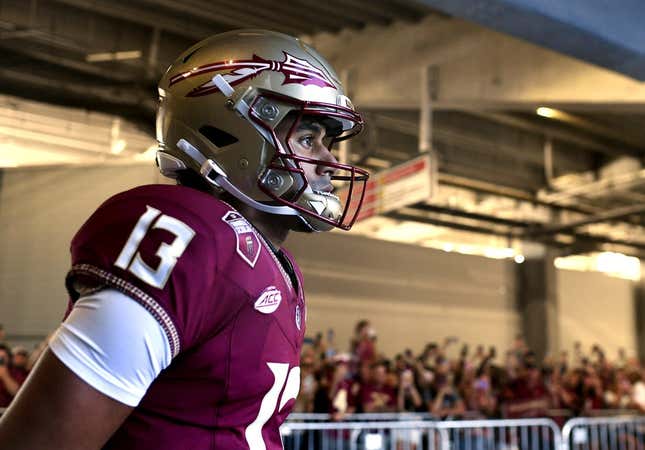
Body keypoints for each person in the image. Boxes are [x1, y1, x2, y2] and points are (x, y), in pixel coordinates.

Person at [0, 29, 369, 450]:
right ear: (234, 133)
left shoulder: (273, 263)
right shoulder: (186, 235)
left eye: (327, 143)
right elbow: (40, 440)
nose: (329, 161)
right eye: (307, 140)